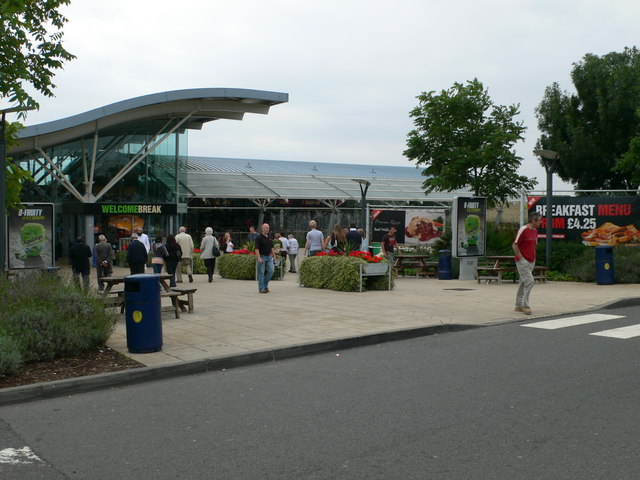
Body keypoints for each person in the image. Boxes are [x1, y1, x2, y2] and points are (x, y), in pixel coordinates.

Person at [513, 212, 542, 315]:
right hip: (523, 261)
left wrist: (533, 258)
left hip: (531, 260)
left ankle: (518, 305)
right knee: (530, 281)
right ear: (533, 220)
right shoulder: (523, 230)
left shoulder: (535, 231)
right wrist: (520, 258)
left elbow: (534, 245)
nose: (540, 222)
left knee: (523, 282)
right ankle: (525, 305)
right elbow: (515, 244)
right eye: (539, 220)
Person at [255, 223, 276, 293]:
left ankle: (264, 284)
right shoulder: (259, 238)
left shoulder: (269, 237)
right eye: (266, 228)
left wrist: (274, 255)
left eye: (268, 228)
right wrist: (259, 258)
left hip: (269, 257)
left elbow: (272, 247)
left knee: (271, 271)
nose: (268, 229)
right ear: (262, 229)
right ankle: (261, 288)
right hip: (262, 256)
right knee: (261, 273)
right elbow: (256, 248)